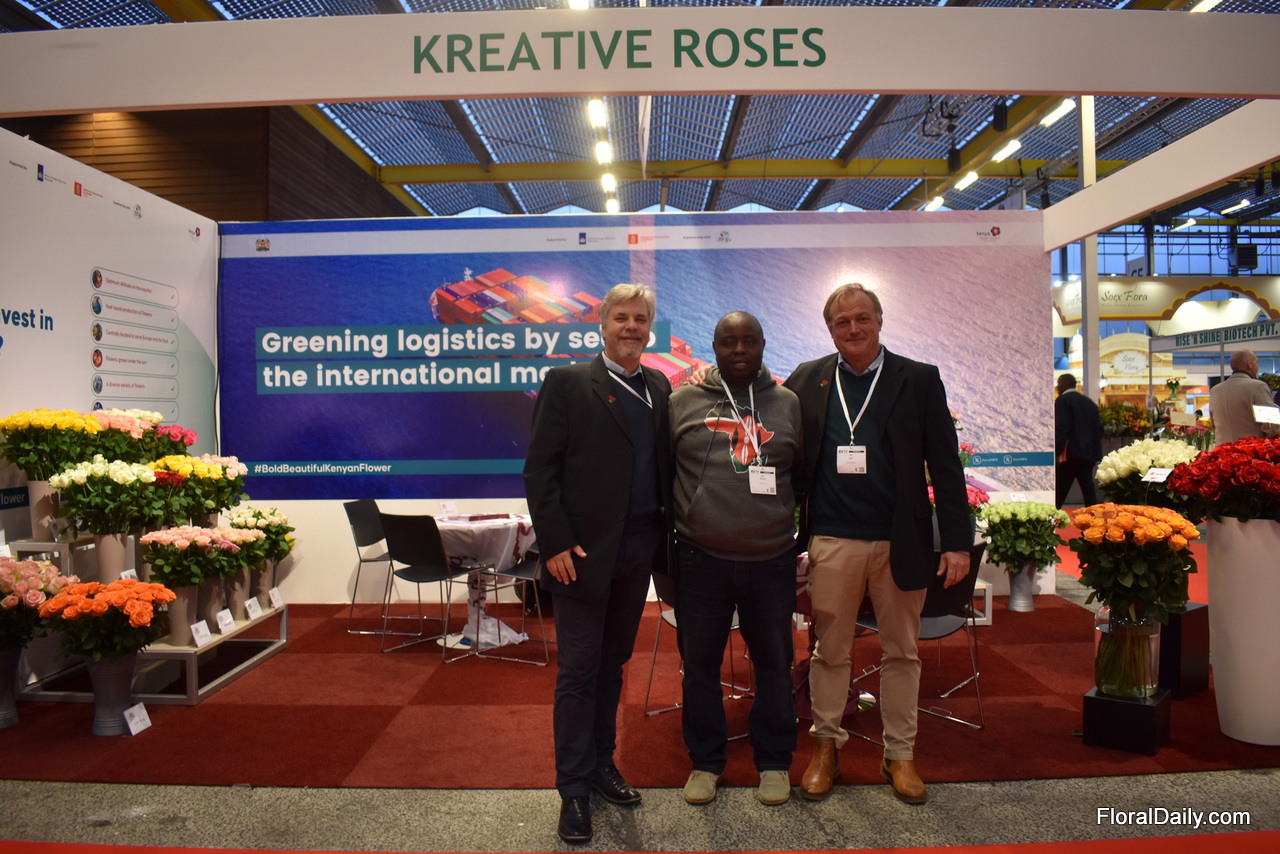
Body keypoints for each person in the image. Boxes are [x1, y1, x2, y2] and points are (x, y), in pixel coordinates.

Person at [783, 282, 969, 806]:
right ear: (830, 329)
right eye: (842, 321)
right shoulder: (808, 378)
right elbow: (772, 423)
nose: (854, 329)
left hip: (900, 541)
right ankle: (825, 748)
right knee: (829, 652)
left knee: (902, 652)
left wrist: (957, 542)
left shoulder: (919, 379)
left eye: (862, 318)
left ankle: (900, 754)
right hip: (832, 540)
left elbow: (946, 465)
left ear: (880, 321)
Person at [522, 283, 672, 845]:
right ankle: (573, 791)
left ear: (649, 328)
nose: (631, 327)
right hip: (581, 557)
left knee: (613, 666)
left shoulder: (659, 386)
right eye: (621, 318)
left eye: (640, 319)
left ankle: (602, 764)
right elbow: (541, 470)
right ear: (602, 324)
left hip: (639, 551)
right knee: (579, 672)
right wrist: (555, 543)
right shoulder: (566, 382)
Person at [668, 311, 802, 807]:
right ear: (715, 347)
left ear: (764, 345)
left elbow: (802, 473)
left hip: (771, 560)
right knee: (699, 666)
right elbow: (663, 473)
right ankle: (706, 762)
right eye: (729, 342)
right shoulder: (682, 402)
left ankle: (774, 762)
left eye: (749, 341)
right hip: (701, 560)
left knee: (774, 664)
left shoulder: (788, 403)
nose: (739, 350)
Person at [1209, 349, 1280, 446]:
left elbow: (1213, 424)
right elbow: (1271, 425)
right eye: (1256, 363)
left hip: (1222, 451)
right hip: (1251, 450)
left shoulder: (1215, 390)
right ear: (1250, 364)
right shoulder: (1258, 386)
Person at [1054, 374, 1103, 508]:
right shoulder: (1089, 403)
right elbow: (1099, 429)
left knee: (1060, 491)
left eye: (1059, 383)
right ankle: (1093, 516)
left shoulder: (1062, 401)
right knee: (1088, 490)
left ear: (1064, 384)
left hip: (1069, 455)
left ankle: (1051, 517)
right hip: (1088, 455)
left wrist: (1057, 452)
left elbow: (1061, 428)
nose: (1057, 387)